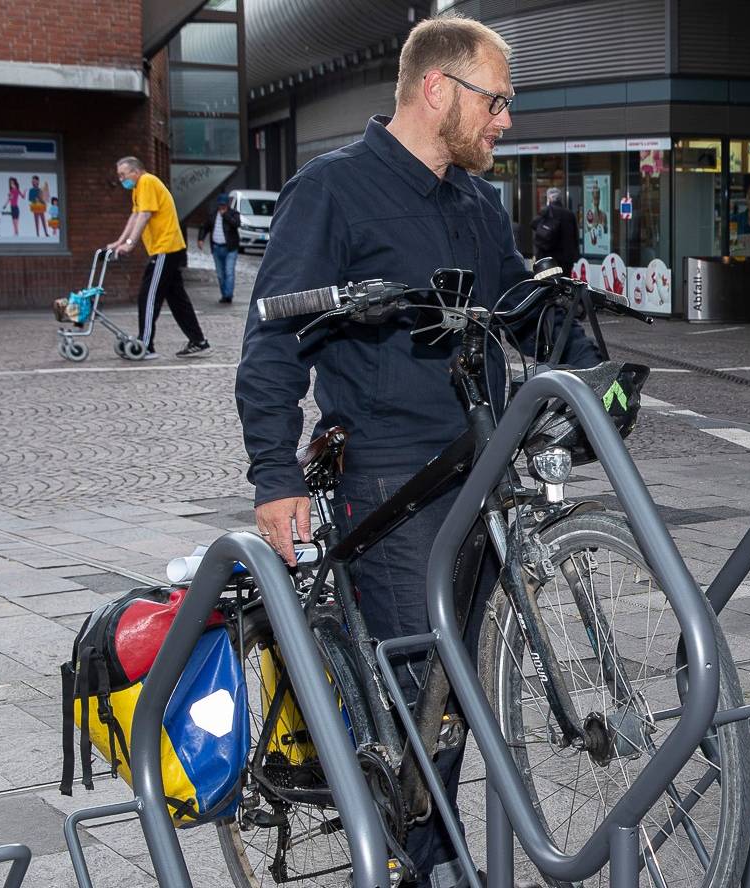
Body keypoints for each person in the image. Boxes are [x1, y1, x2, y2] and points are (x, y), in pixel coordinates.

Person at [235, 13, 596, 886]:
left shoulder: (475, 202)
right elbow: (271, 344)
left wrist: (590, 371)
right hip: (389, 486)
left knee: (454, 701)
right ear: (438, 88)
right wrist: (274, 477)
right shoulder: (333, 191)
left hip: (478, 470)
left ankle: (423, 856)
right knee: (415, 703)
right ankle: (424, 866)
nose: (505, 120)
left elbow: (522, 305)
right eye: (496, 101)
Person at [107, 156, 211, 358]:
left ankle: (145, 345)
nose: (121, 179)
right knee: (177, 298)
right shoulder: (139, 188)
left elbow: (145, 215)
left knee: (148, 296)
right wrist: (120, 242)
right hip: (167, 249)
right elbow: (135, 216)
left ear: (135, 171)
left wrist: (129, 244)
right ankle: (199, 341)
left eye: (123, 174)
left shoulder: (146, 181)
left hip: (165, 248)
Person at [197, 193, 242, 303]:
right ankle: (224, 295)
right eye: (220, 205)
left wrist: (225, 215)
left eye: (224, 205)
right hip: (217, 249)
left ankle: (228, 295)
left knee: (229, 272)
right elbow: (204, 227)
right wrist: (201, 239)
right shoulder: (212, 215)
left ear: (227, 205)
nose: (222, 207)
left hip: (230, 249)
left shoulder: (233, 214)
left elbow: (236, 224)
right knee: (221, 274)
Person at [529, 185, 574, 262]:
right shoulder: (569, 214)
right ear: (560, 199)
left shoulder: (546, 211)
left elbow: (533, 224)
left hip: (547, 257)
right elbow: (574, 236)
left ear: (549, 199)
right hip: (566, 259)